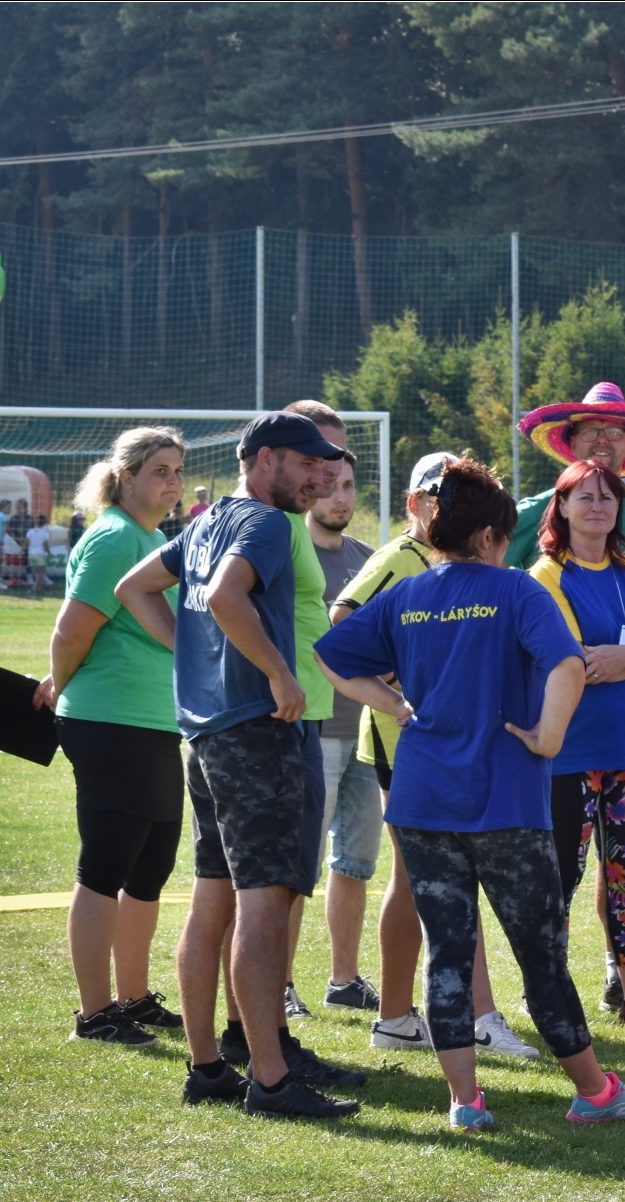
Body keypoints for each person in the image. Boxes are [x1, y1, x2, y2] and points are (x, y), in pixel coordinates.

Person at [316, 457, 625, 1132]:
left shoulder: (410, 593)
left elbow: (332, 652)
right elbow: (568, 663)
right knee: (541, 953)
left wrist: (391, 702)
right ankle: (594, 1091)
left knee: (447, 950)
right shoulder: (516, 590)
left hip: (421, 802)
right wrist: (549, 737)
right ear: (488, 537)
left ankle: (464, 1101)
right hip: (505, 801)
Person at [115, 411, 362, 1118]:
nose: (319, 479)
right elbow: (224, 596)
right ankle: (273, 1080)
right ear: (266, 458)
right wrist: (279, 673)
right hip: (256, 733)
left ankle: (207, 1068)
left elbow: (135, 588)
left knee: (211, 902)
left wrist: (194, 657)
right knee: (263, 906)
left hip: (208, 735)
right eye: (307, 464)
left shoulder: (210, 520)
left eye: (326, 467)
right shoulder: (265, 523)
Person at [332, 451, 523, 1057]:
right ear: (415, 504)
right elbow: (343, 621)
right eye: (437, 497)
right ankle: (471, 1017)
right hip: (408, 742)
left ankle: (401, 1016)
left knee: (424, 880)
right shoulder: (401, 558)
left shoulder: (448, 563)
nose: (447, 509)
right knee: (435, 878)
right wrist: (396, 691)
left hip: (438, 742)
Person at [516, 383, 625, 1013]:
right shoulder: (544, 575)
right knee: (559, 878)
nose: (597, 505)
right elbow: (572, 663)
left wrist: (622, 659)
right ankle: (550, 998)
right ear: (561, 506)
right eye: (584, 496)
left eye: (606, 497)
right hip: (567, 747)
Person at [33, 428, 190, 1046]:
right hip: (110, 720)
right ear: (126, 478)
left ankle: (134, 998)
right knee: (106, 864)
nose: (172, 481)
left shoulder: (150, 538)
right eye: (159, 470)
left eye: (177, 470)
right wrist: (60, 684)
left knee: (150, 868)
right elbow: (72, 631)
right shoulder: (115, 536)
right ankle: (95, 1013)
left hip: (153, 723)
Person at [285, 401, 381, 1015]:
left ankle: (344, 980)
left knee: (356, 865)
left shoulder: (370, 558)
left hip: (365, 733)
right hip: (310, 731)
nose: (339, 495)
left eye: (349, 485)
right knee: (297, 869)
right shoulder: (285, 546)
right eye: (331, 483)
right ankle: (280, 985)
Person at [26, 511, 52, 595]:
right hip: (40, 554)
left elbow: (26, 542)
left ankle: (38, 587)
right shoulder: (45, 533)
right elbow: (45, 545)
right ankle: (35, 587)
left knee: (36, 573)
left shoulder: (30, 531)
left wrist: (21, 550)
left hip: (31, 554)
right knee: (41, 572)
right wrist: (49, 553)